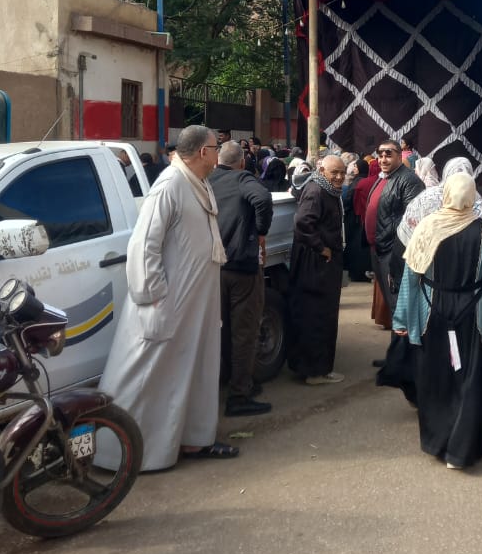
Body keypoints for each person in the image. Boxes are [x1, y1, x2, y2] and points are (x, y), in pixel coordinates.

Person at [98, 125, 233, 469]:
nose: (220, 154)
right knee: (147, 376)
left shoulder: (198, 183)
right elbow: (144, 245)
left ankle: (193, 441)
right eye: (216, 148)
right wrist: (154, 297)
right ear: (203, 152)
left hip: (195, 305)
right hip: (166, 303)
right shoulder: (170, 184)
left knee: (194, 370)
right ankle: (121, 454)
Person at [393, 172, 482, 469]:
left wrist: (403, 318)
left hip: (433, 310)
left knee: (435, 375)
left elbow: (411, 275)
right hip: (472, 312)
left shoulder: (429, 227)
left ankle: (437, 442)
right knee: (469, 377)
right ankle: (462, 451)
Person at [210, 140, 274, 417]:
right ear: (241, 161)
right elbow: (262, 198)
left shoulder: (206, 180)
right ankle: (239, 395)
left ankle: (231, 381)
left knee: (221, 331)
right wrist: (261, 231)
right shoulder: (242, 178)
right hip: (241, 267)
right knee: (244, 332)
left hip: (213, 268)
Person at [287, 155, 347, 385]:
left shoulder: (325, 190)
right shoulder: (316, 191)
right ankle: (316, 371)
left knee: (315, 314)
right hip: (317, 264)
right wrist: (322, 248)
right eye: (334, 172)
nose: (339, 177)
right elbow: (302, 223)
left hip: (319, 263)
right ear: (322, 171)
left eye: (342, 172)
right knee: (318, 315)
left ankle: (310, 367)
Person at [363, 139, 425, 317]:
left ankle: (404, 344)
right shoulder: (385, 177)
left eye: (388, 155)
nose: (383, 159)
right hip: (378, 249)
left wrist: (391, 243)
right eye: (380, 155)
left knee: (399, 304)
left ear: (400, 155)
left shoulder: (409, 180)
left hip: (394, 251)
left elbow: (412, 219)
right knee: (393, 304)